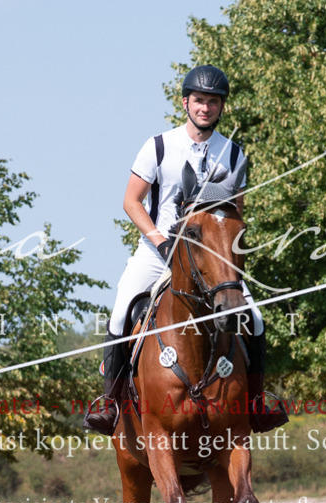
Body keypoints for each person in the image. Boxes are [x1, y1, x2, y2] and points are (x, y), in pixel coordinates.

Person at [84, 65, 287, 436]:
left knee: (254, 319)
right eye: (199, 100)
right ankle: (110, 405)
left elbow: (236, 212)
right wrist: (160, 242)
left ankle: (256, 405)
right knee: (120, 312)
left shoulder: (234, 153)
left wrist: (226, 254)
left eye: (213, 102)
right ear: (185, 103)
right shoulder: (158, 145)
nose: (205, 108)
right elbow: (131, 202)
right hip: (156, 250)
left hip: (211, 257)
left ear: (221, 107)